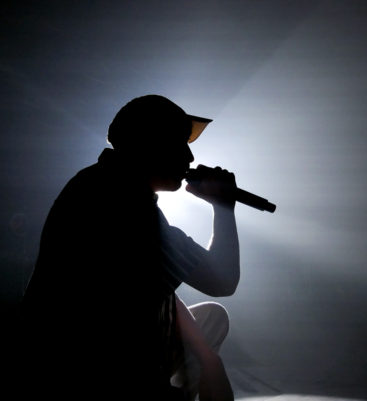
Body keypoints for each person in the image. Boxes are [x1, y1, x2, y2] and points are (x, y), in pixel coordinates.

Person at [22, 94, 240, 400]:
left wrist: (207, 356)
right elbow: (223, 280)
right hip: (86, 370)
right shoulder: (129, 206)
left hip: (68, 355)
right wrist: (224, 207)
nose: (190, 157)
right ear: (151, 145)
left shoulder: (97, 182)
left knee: (211, 319)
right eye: (180, 143)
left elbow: (160, 288)